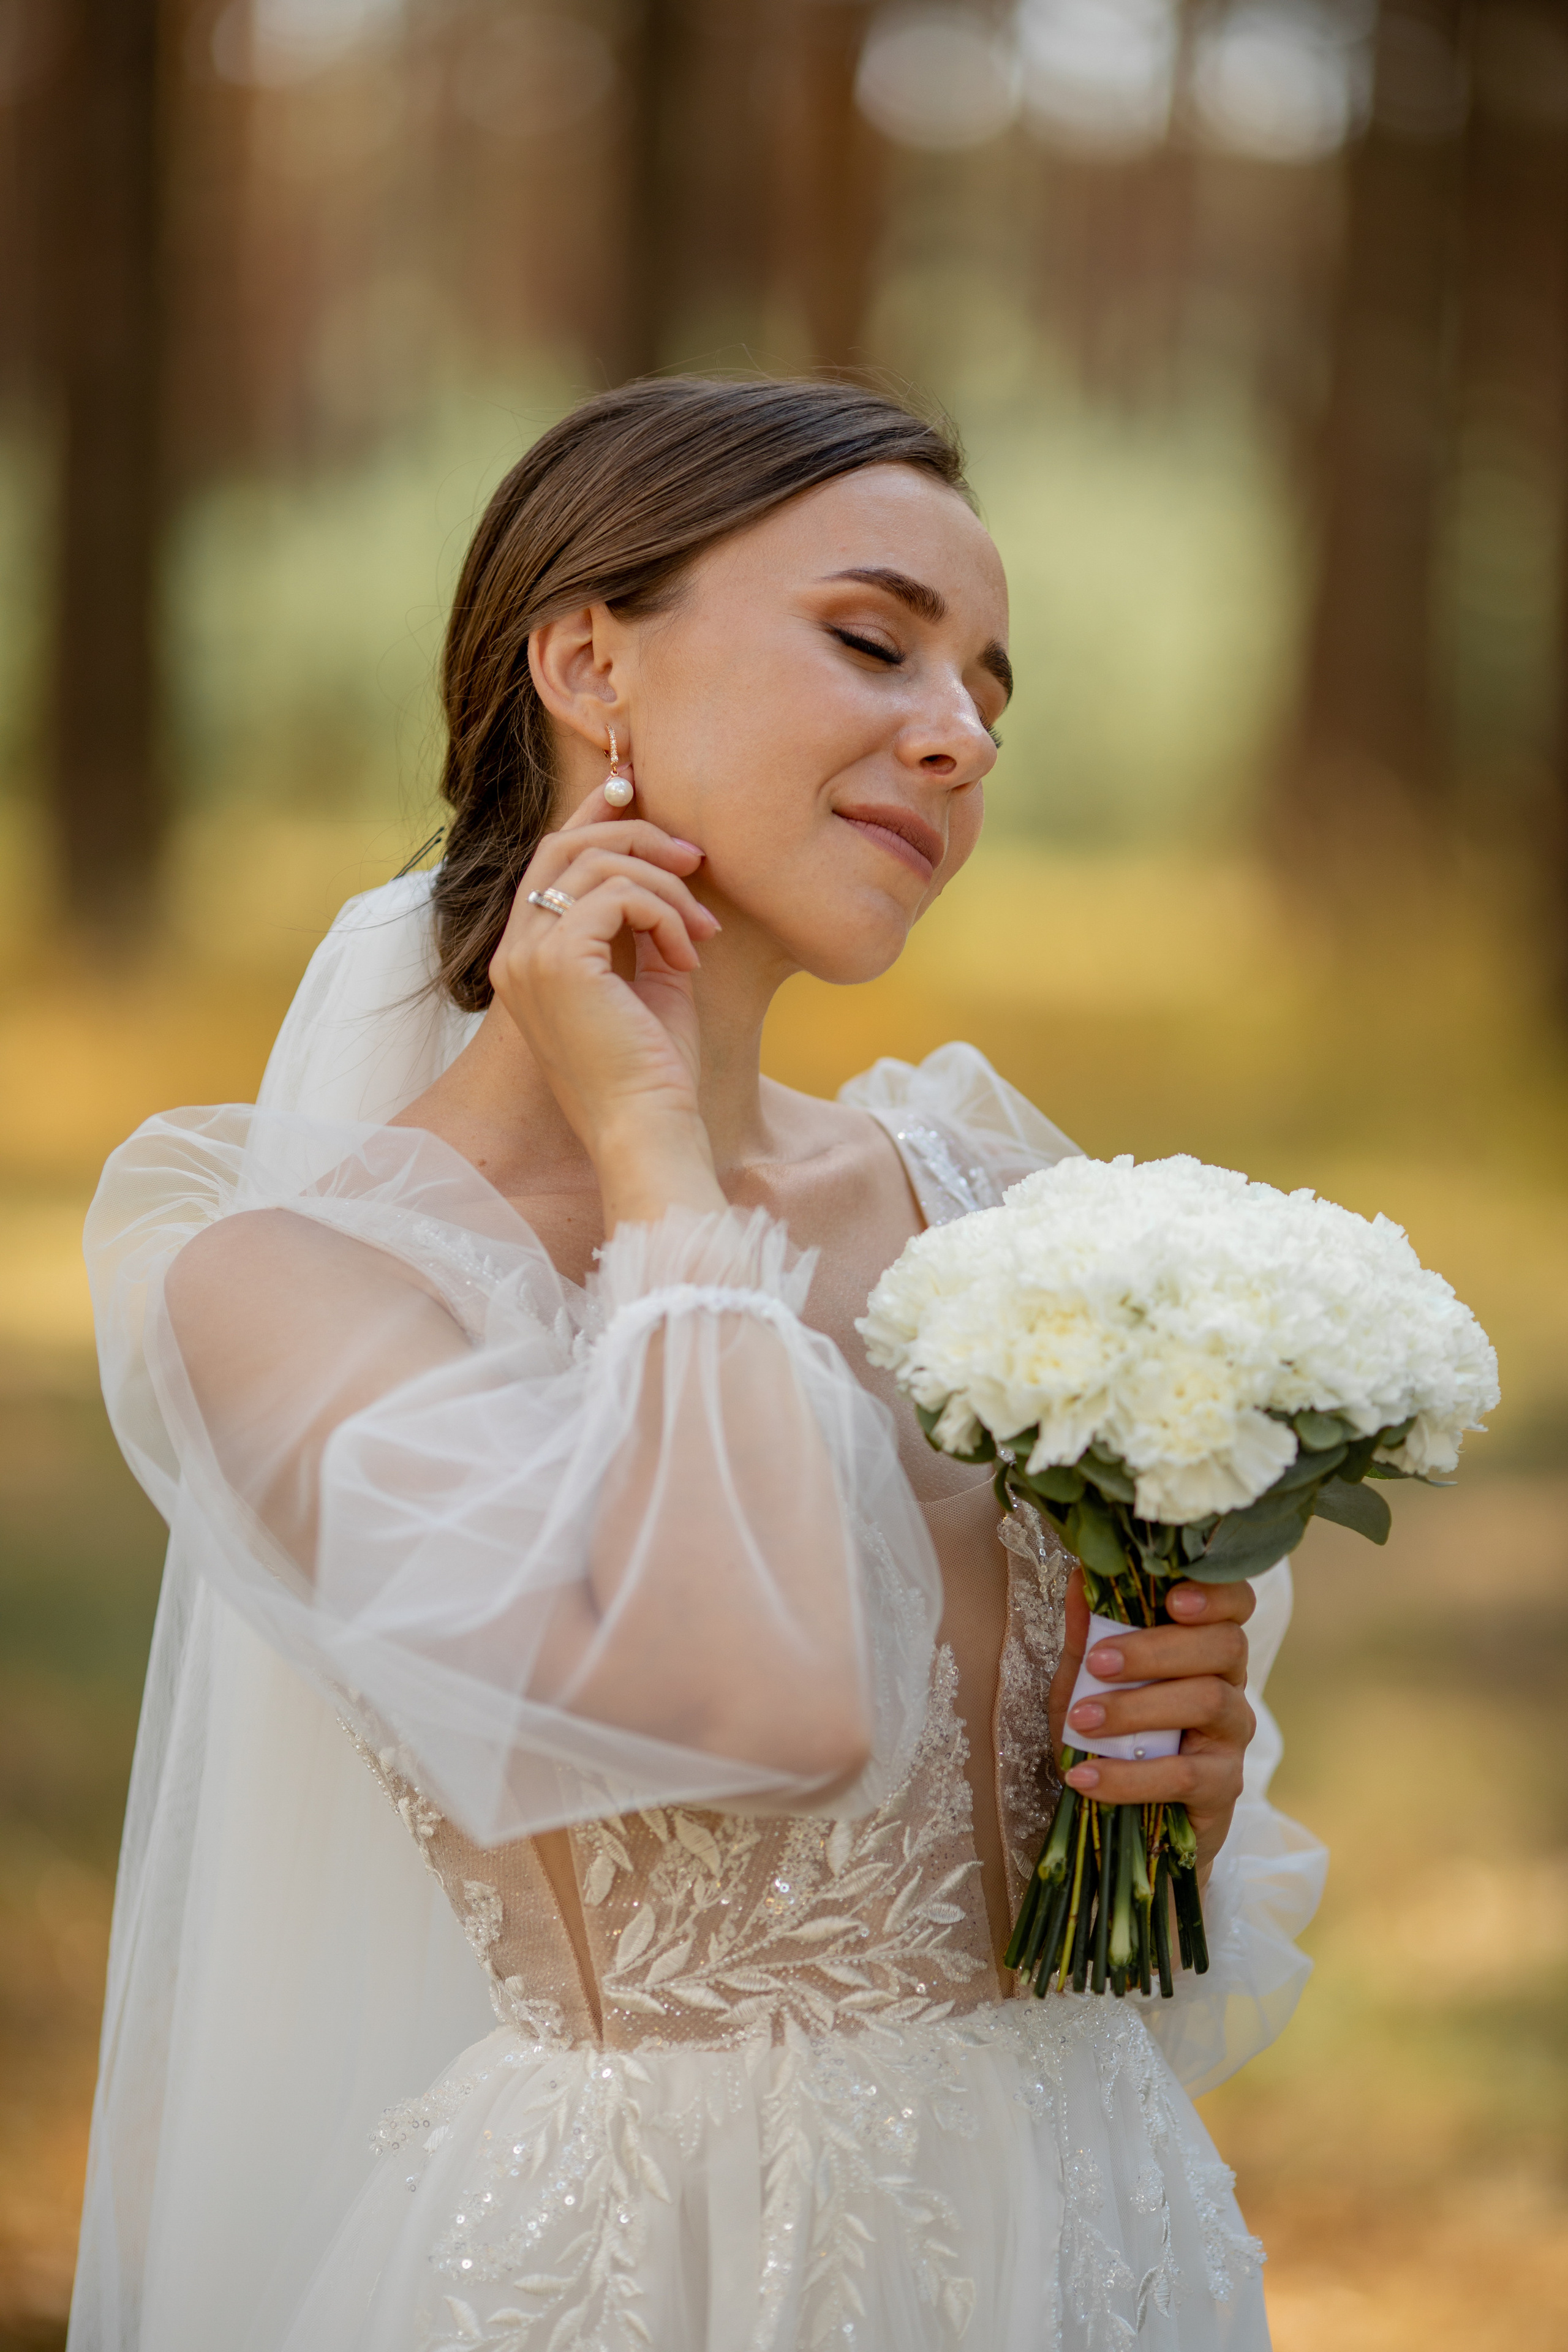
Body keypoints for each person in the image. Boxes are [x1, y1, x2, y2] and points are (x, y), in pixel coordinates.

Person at [75, 377, 1326, 2352]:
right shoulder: (291, 1287)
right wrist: (662, 1159)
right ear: (588, 662)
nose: (961, 733)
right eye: (871, 638)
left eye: (994, 688)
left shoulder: (994, 1203)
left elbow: (1153, 1940)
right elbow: (768, 1708)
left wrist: (1177, 1776)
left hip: (1096, 2238)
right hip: (661, 2274)